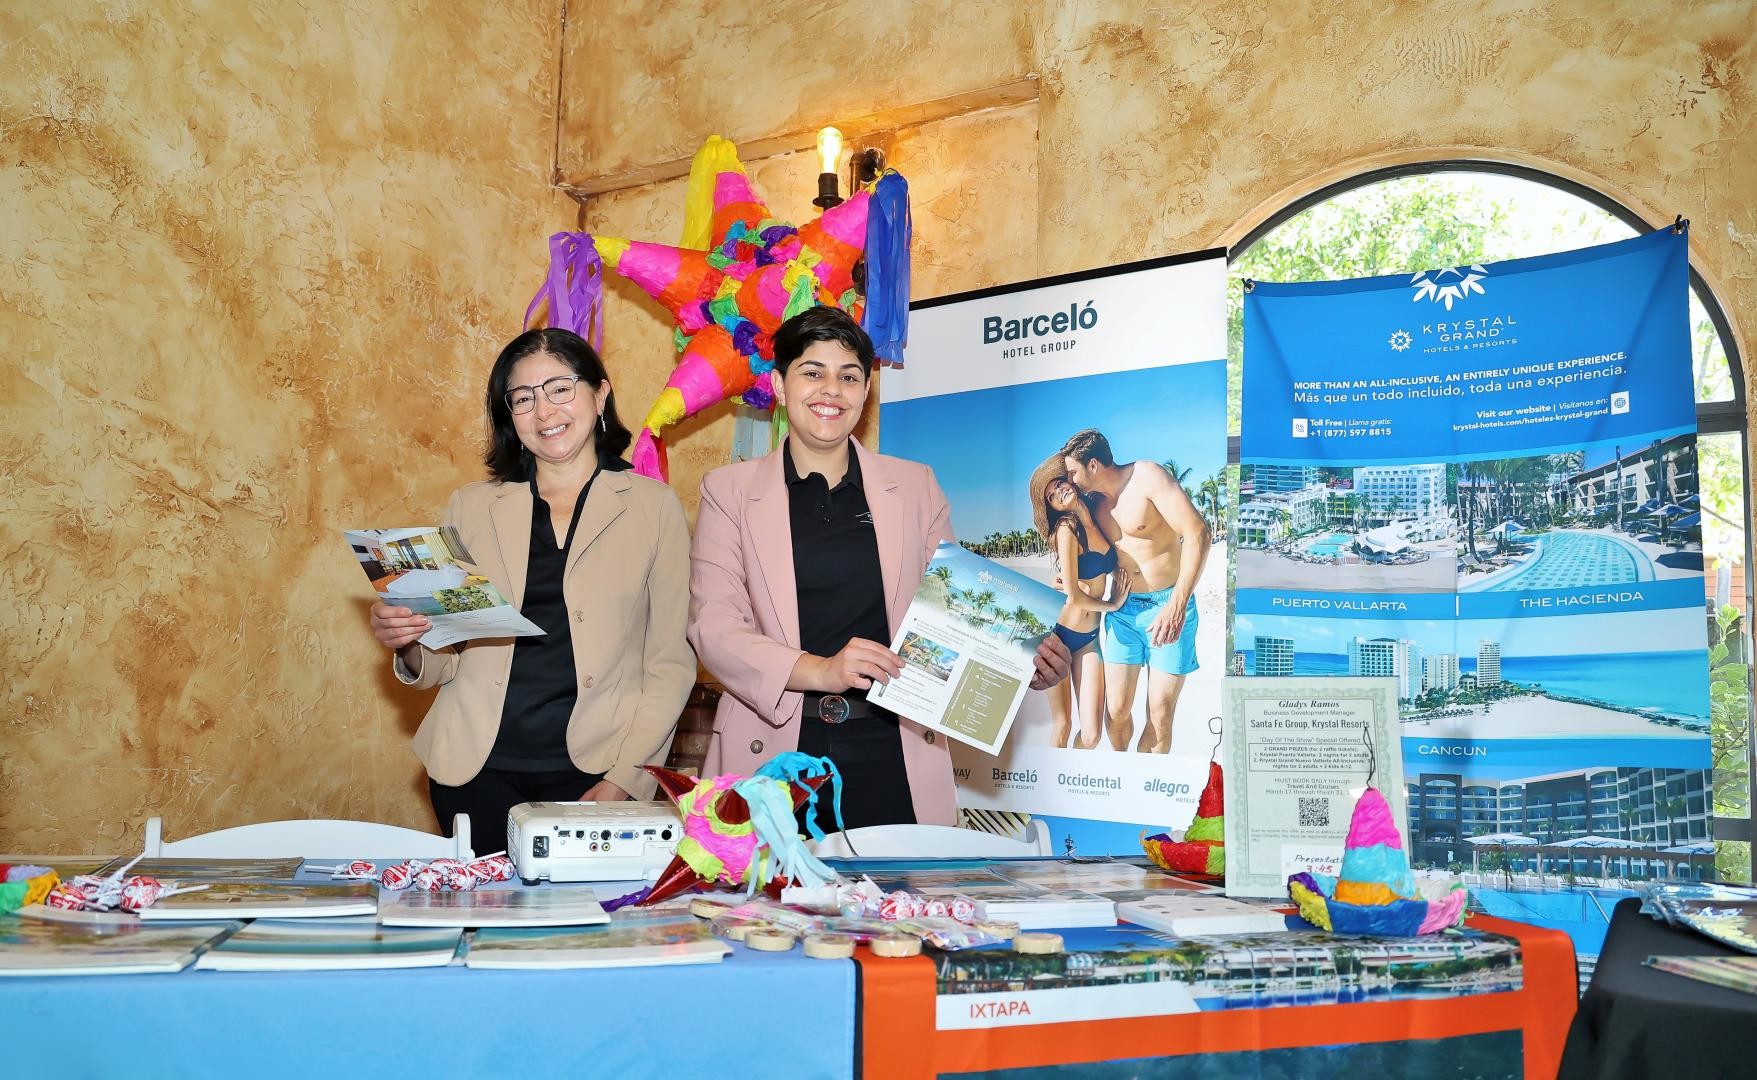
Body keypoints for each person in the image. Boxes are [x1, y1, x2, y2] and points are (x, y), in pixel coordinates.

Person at [689, 306, 1072, 831]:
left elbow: (954, 617)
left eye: (849, 377)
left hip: (896, 750)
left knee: (906, 886)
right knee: (771, 890)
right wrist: (822, 670)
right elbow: (714, 629)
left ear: (866, 391)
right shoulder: (728, 491)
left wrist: (1022, 659)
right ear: (779, 385)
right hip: (774, 754)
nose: (831, 390)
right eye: (812, 372)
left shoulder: (915, 486)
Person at [369, 328, 695, 850]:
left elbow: (669, 664)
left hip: (596, 773)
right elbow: (446, 656)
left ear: (600, 395)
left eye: (560, 388)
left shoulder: (653, 508)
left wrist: (626, 778)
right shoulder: (471, 505)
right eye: (523, 398)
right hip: (475, 771)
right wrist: (409, 639)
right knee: (486, 904)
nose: (544, 411)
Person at [1061, 429, 1211, 754]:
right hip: (1124, 611)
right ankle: (1124, 771)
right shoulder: (1090, 505)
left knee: (1160, 715)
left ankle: (1146, 785)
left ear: (1093, 465)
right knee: (1115, 711)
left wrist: (1177, 604)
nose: (1070, 480)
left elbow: (1198, 532)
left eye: (1072, 472)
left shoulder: (1147, 477)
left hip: (1169, 605)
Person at [1028, 456, 1131, 749]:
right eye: (1051, 496)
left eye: (1059, 484)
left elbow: (1111, 563)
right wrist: (1111, 604)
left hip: (1089, 639)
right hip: (1058, 637)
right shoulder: (1066, 528)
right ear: (1054, 508)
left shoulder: (1098, 518)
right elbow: (1073, 594)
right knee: (1062, 725)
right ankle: (1051, 781)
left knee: (1091, 735)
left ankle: (1069, 773)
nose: (1059, 492)